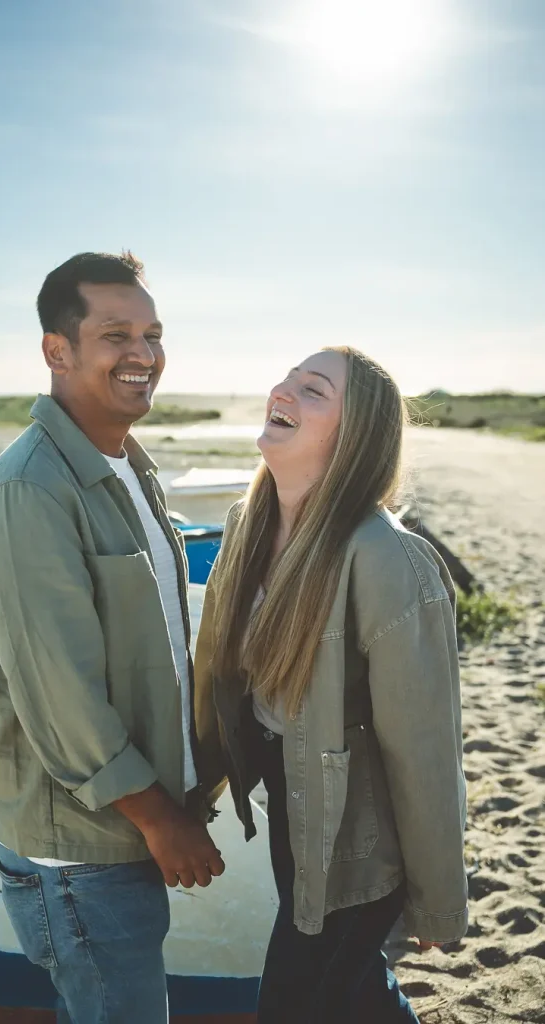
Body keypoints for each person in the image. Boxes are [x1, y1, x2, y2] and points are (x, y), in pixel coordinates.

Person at [0, 251, 224, 1024]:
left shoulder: (126, 468)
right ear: (57, 350)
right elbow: (59, 693)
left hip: (119, 837)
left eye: (152, 334)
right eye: (115, 335)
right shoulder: (29, 491)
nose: (143, 354)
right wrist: (160, 818)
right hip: (78, 854)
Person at [194, 347, 468, 1023]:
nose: (282, 391)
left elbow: (424, 747)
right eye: (287, 378)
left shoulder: (386, 557)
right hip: (294, 808)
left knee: (294, 1006)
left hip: (358, 838)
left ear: (353, 438)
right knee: (355, 994)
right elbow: (220, 683)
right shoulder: (247, 523)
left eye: (312, 390)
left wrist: (437, 900)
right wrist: (190, 794)